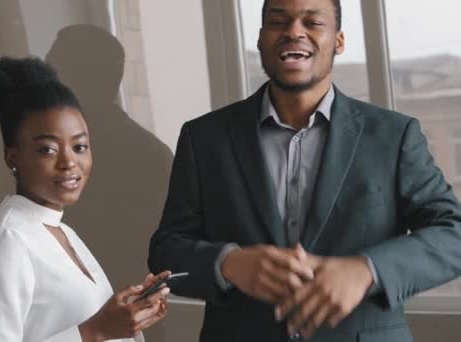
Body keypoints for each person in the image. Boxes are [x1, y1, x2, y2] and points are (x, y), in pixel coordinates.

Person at [148, 0, 461, 341]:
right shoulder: (204, 138)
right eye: (277, 21)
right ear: (261, 38)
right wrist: (228, 263)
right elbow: (166, 252)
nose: (293, 31)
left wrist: (367, 270)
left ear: (338, 41)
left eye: (312, 22)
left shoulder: (393, 136)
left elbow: (453, 235)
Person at [0, 57, 170, 342]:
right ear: (12, 156)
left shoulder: (61, 232)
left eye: (79, 146)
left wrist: (131, 314)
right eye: (48, 150)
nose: (69, 162)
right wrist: (96, 330)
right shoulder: (8, 241)